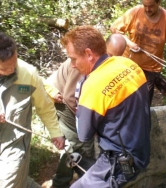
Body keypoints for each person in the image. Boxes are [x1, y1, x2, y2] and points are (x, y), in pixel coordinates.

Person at [60, 25, 151, 188]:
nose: (72, 65)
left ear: (88, 54)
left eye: (73, 58)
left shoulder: (92, 85)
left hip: (120, 161)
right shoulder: (128, 64)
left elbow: (84, 135)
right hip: (141, 148)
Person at [42, 33, 127, 188]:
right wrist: (88, 122)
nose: (112, 61)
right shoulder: (82, 65)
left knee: (78, 145)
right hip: (62, 101)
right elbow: (70, 97)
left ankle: (70, 178)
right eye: (111, 55)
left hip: (73, 100)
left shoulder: (103, 64)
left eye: (117, 57)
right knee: (81, 144)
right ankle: (64, 182)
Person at [0, 32, 65, 188]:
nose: (12, 69)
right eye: (5, 68)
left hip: (14, 142)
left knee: (7, 183)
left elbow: (45, 106)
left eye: (14, 63)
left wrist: (56, 132)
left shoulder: (28, 73)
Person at [110, 0, 166, 105]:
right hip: (129, 65)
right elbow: (114, 28)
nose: (147, 9)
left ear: (159, 3)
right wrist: (129, 43)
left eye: (151, 6)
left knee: (144, 103)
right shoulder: (135, 12)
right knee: (124, 100)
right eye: (145, 6)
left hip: (150, 68)